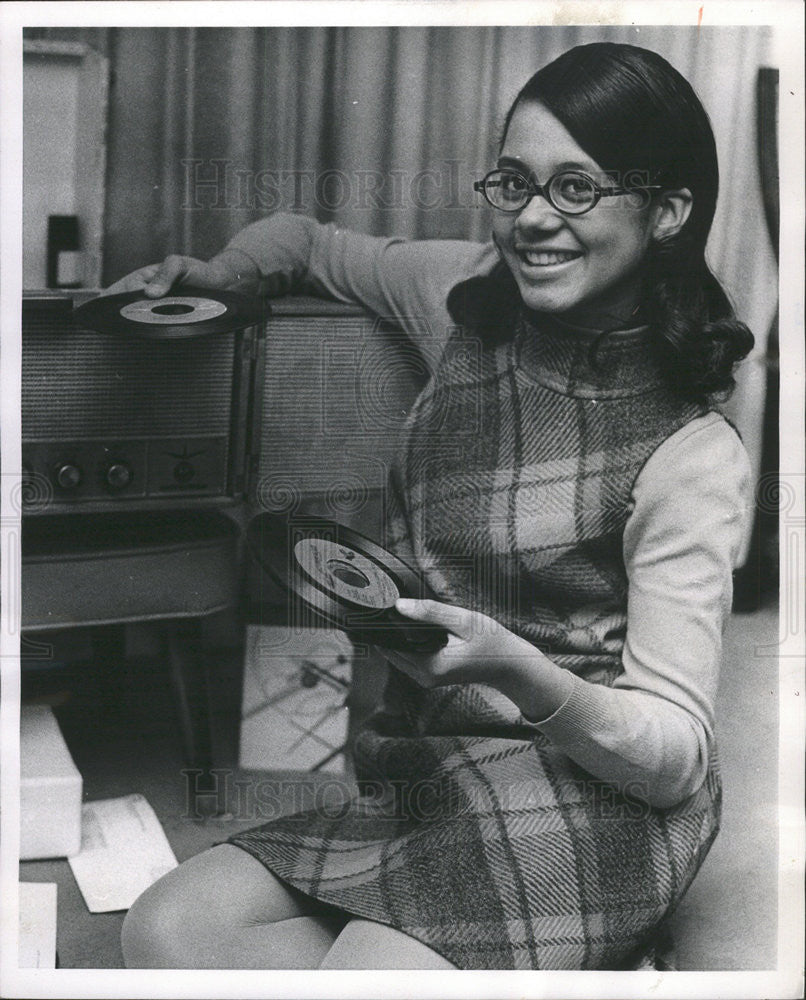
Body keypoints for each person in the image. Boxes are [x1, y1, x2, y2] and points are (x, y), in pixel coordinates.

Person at [113, 42, 754, 970]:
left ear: (666, 212)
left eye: (577, 189)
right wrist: (231, 275)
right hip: (429, 765)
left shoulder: (693, 451)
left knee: (367, 973)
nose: (534, 219)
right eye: (515, 183)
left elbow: (679, 756)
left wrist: (526, 675)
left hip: (597, 796)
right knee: (165, 933)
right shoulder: (461, 299)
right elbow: (308, 243)